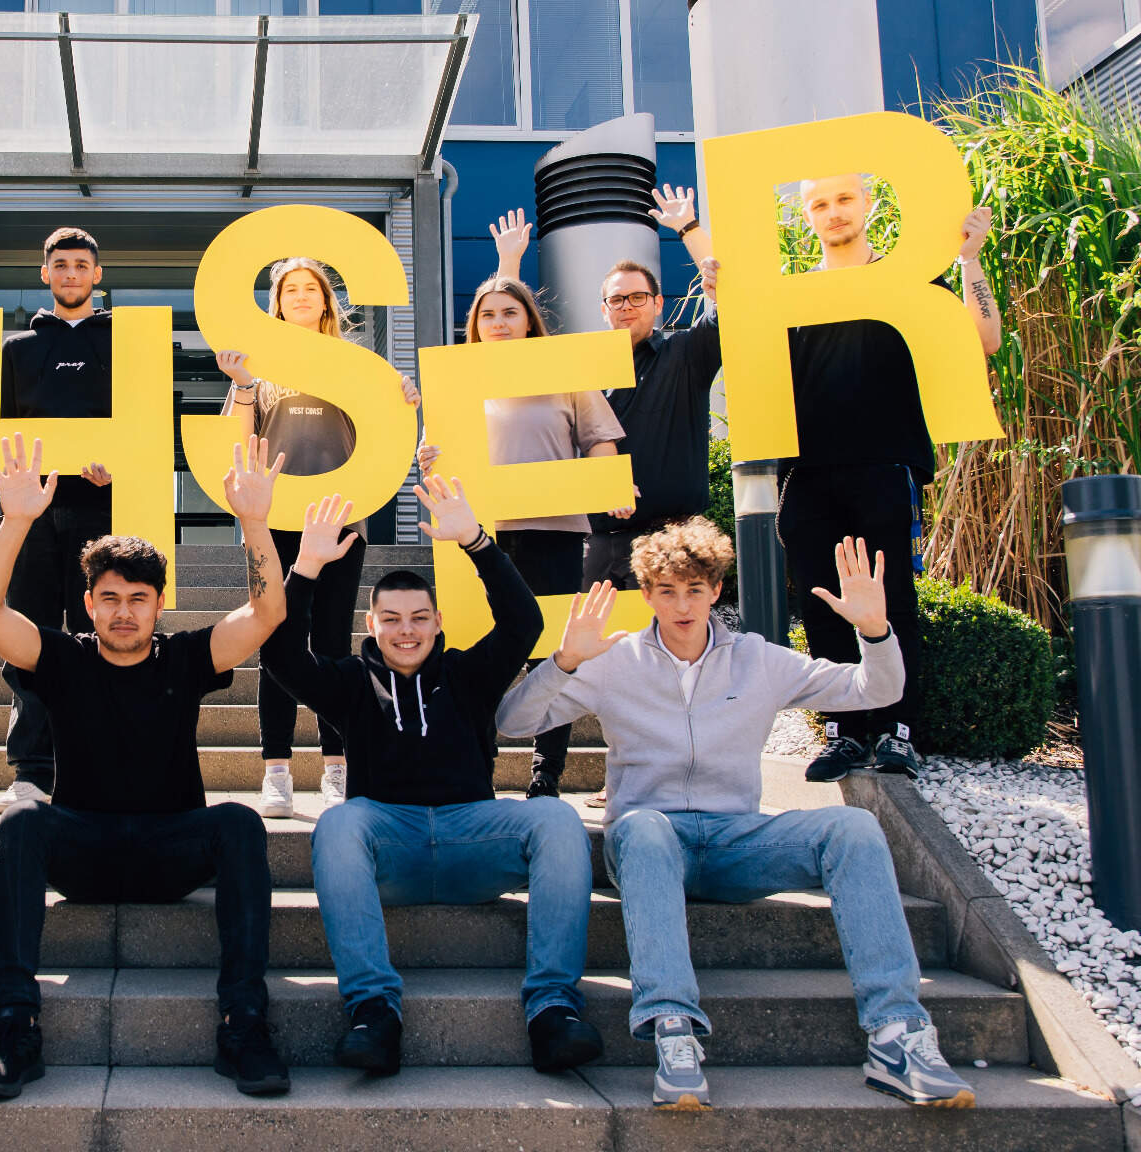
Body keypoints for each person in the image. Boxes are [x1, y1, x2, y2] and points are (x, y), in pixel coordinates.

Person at [497, 519, 976, 1110]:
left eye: (694, 590)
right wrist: (564, 662)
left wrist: (876, 632)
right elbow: (511, 721)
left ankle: (897, 1034)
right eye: (667, 591)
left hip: (737, 844)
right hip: (649, 845)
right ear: (645, 594)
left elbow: (872, 691)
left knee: (852, 826)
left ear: (716, 592)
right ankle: (674, 1031)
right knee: (644, 827)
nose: (681, 604)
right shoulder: (615, 660)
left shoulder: (758, 660)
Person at [0, 433, 292, 1100]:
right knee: (23, 820)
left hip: (171, 848)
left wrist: (254, 521)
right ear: (89, 605)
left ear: (158, 605)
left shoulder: (184, 658)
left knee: (239, 823)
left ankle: (244, 1022)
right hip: (82, 849)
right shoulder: (63, 657)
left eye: (137, 599)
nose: (123, 612)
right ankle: (13, 1025)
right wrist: (17, 521)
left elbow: (267, 613)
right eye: (109, 598)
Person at [263, 481, 602, 1077]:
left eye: (419, 617)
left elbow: (523, 624)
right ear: (372, 623)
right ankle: (373, 1011)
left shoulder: (467, 673)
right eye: (391, 619)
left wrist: (475, 542)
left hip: (474, 836)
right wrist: (307, 568)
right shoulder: (348, 681)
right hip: (388, 846)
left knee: (555, 817)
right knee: (340, 823)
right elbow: (281, 656)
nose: (407, 631)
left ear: (438, 620)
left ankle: (552, 1008)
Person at [493, 189, 724, 812]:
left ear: (657, 303)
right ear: (601, 308)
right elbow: (507, 345)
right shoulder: (577, 366)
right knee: (581, 655)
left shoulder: (685, 353)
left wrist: (690, 228)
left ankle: (655, 779)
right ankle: (550, 775)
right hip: (593, 536)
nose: (624, 308)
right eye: (613, 299)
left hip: (675, 537)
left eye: (635, 297)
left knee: (674, 660)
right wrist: (508, 265)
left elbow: (729, 300)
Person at [780, 174, 1001, 782]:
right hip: (808, 474)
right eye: (818, 204)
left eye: (844, 199)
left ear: (870, 204)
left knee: (892, 599)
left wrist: (969, 261)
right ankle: (843, 732)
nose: (833, 213)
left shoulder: (909, 282)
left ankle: (898, 732)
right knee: (824, 607)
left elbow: (985, 339)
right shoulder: (793, 297)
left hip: (884, 467)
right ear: (807, 217)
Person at [213, 257, 422, 817]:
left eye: (311, 289)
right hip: (273, 519)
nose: (301, 297)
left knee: (331, 643)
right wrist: (241, 385)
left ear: (327, 302)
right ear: (275, 303)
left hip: (339, 517)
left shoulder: (359, 365)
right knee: (274, 638)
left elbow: (384, 429)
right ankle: (276, 770)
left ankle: (336, 766)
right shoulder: (256, 365)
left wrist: (400, 395)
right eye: (290, 290)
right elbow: (235, 440)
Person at [418, 274, 628, 799]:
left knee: (550, 651)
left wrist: (608, 484)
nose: (498, 323)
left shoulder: (565, 374)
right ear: (475, 327)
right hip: (479, 533)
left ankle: (545, 773)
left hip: (550, 529)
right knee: (477, 650)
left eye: (509, 312)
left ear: (529, 319)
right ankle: (474, 768)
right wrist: (427, 457)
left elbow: (600, 439)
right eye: (487, 315)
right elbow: (433, 451)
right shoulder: (457, 378)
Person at [0, 227, 120, 814]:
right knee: (32, 641)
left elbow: (146, 427)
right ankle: (31, 772)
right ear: (45, 274)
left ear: (98, 275)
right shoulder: (15, 348)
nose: (71, 274)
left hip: (103, 509)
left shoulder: (126, 343)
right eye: (61, 265)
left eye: (82, 265)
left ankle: (99, 766)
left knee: (102, 640)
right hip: (30, 515)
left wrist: (116, 466)